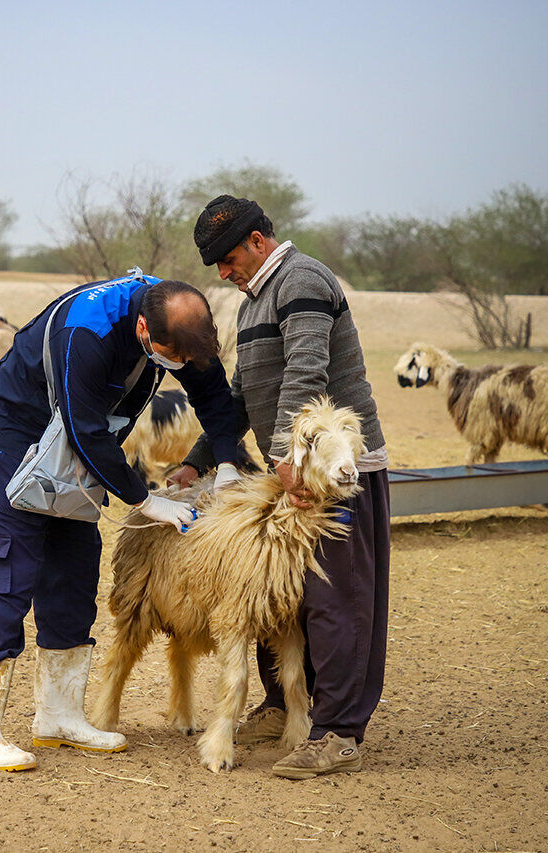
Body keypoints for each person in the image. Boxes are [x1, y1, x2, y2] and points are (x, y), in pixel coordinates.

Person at [0, 271, 245, 772]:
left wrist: (223, 465)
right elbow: (84, 427)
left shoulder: (180, 326)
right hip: (13, 439)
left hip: (74, 449)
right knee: (8, 572)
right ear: (141, 330)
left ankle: (59, 715)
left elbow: (216, 399)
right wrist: (146, 500)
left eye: (186, 359)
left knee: (73, 571)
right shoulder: (86, 330)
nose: (178, 367)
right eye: (170, 357)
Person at [170, 195, 390, 780]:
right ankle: (282, 706)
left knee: (334, 601)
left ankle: (338, 730)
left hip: (332, 476)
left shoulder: (302, 282)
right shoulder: (256, 301)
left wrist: (285, 458)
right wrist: (196, 461)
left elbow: (307, 373)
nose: (222, 272)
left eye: (227, 257)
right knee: (273, 596)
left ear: (259, 242)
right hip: (290, 474)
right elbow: (243, 395)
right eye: (214, 262)